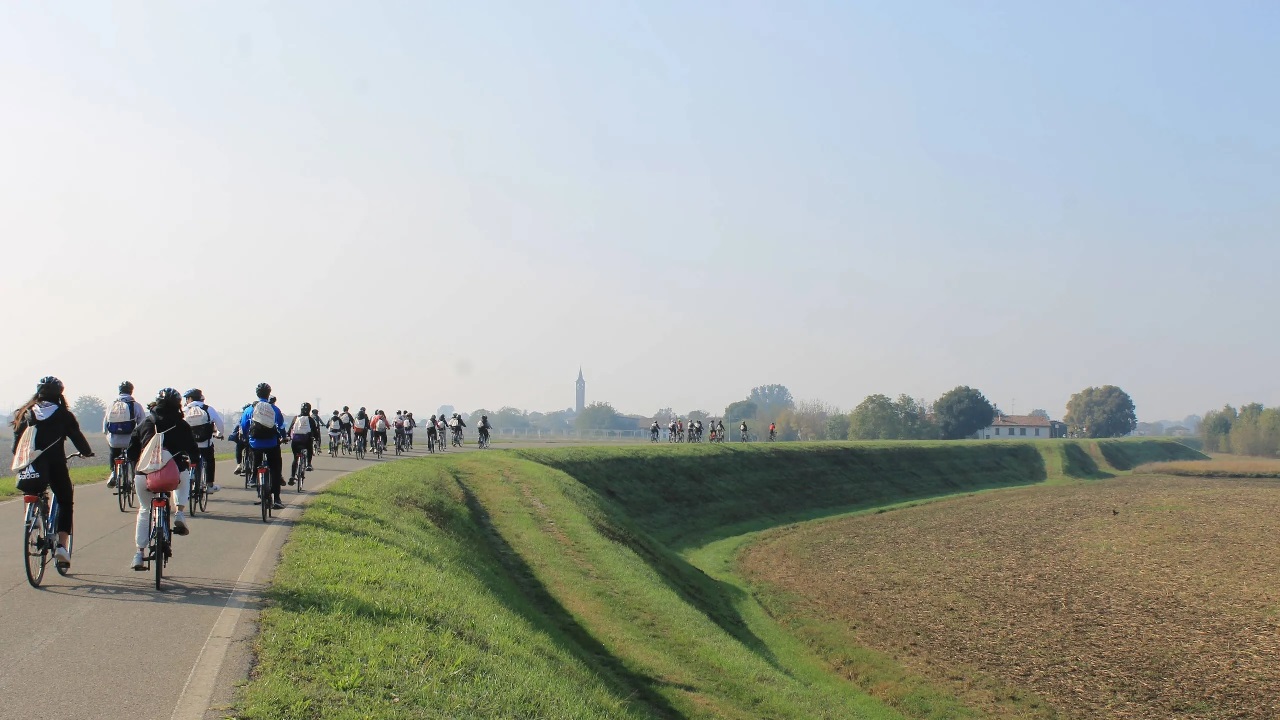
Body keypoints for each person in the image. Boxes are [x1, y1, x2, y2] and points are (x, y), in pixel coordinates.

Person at [11, 377, 94, 569]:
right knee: (65, 500)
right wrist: (87, 452)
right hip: (56, 465)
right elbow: (78, 439)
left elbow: (17, 446)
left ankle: (33, 524)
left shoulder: (25, 413)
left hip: (31, 466)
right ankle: (62, 547)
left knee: (31, 492)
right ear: (59, 394)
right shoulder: (64, 415)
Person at [126, 387, 196, 568]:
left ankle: (139, 554)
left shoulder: (146, 423)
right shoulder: (181, 425)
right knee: (184, 475)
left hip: (145, 475)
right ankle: (179, 512)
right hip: (172, 475)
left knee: (144, 509)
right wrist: (193, 460)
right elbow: (193, 450)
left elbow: (131, 451)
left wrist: (137, 465)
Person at [239, 383, 287, 509]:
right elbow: (281, 426)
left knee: (255, 456)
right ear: (268, 394)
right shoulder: (274, 409)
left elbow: (244, 425)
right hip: (272, 443)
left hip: (255, 442)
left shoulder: (250, 409)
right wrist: (284, 436)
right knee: (276, 469)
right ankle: (276, 499)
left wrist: (246, 436)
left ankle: (254, 478)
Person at [104, 381, 146, 487]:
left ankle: (113, 472)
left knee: (113, 452)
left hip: (114, 441)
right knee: (135, 456)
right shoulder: (136, 405)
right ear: (131, 391)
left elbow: (105, 426)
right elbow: (142, 424)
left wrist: (109, 436)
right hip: (130, 440)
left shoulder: (112, 405)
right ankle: (135, 477)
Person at [182, 388, 224, 493]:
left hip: (189, 445)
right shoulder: (208, 409)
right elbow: (220, 425)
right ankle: (209, 485)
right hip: (206, 444)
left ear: (190, 399)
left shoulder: (184, 410)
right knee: (210, 460)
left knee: (185, 461)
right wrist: (219, 434)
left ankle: (185, 484)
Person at [288, 403, 316, 484]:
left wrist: (287, 436)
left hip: (295, 441)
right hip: (306, 441)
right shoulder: (310, 419)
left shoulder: (295, 418)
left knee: (295, 458)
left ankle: (292, 476)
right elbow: (315, 431)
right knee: (309, 448)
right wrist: (316, 438)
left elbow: (290, 429)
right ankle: (308, 464)